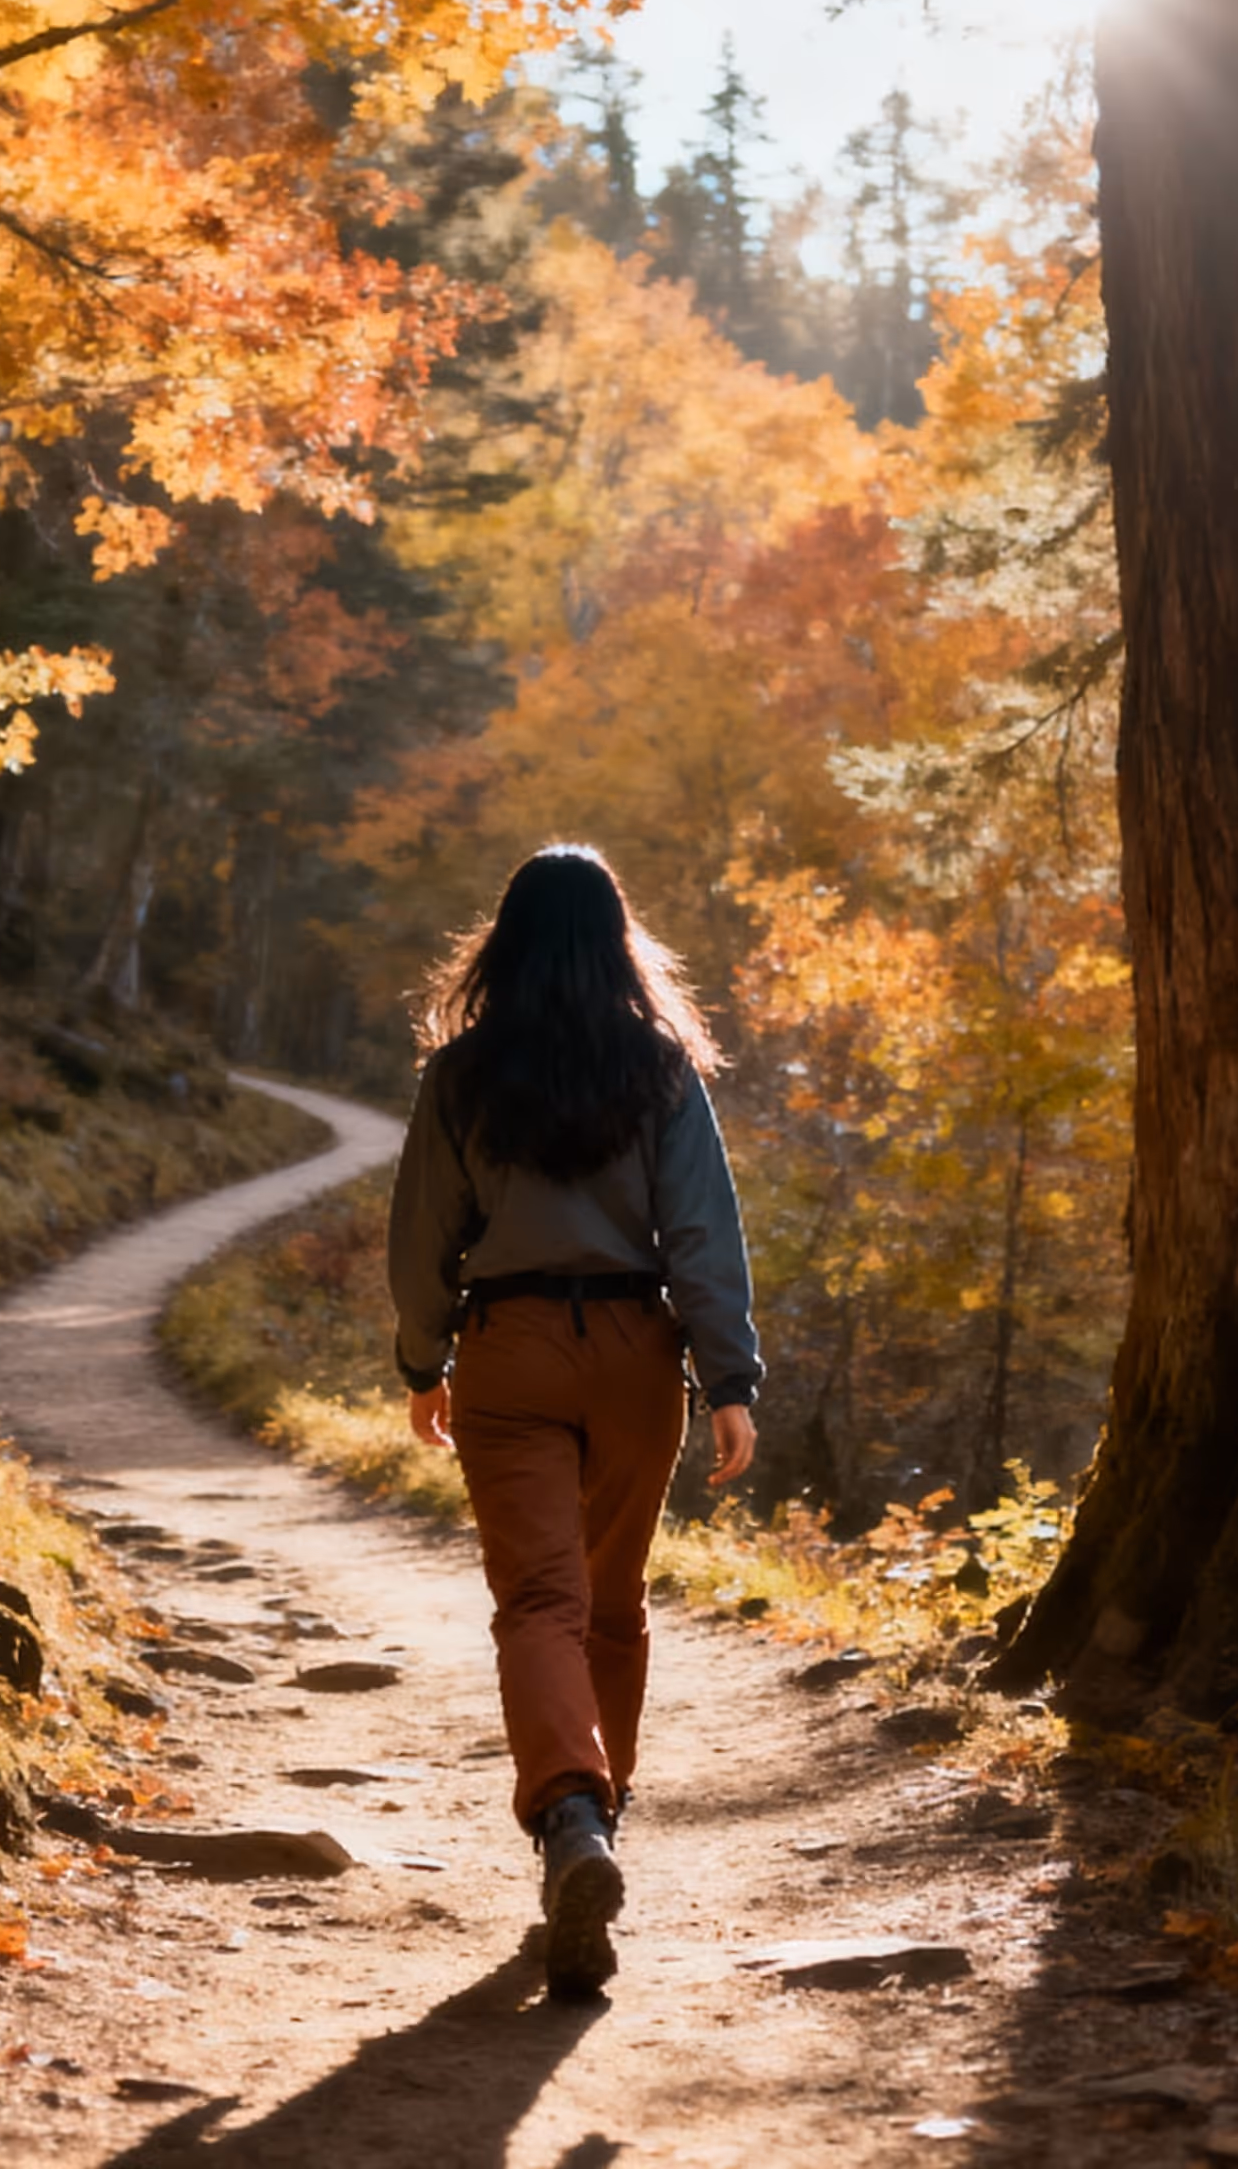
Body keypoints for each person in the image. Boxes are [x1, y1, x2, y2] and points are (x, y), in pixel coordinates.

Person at [389, 844, 762, 2002]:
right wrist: (730, 1380)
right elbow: (699, 1231)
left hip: (508, 1348)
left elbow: (422, 1234)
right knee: (610, 1601)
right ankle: (602, 1818)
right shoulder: (659, 1068)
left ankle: (570, 1819)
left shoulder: (461, 1075)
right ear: (615, 942)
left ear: (504, 942)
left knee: (537, 1603)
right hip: (638, 1352)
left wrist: (423, 1360)